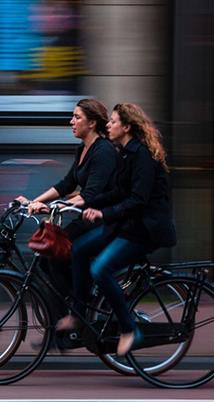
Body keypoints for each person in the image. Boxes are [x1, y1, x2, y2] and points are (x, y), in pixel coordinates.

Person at [58, 103, 176, 356]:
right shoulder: (124, 152)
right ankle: (78, 315)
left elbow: (138, 200)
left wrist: (103, 213)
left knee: (100, 269)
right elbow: (118, 192)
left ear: (127, 127)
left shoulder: (142, 155)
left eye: (112, 122)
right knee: (77, 249)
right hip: (126, 225)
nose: (108, 126)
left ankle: (130, 329)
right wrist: (89, 203)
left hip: (145, 230)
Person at [15, 99, 117, 310]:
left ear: (92, 123)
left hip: (103, 220)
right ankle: (72, 308)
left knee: (58, 252)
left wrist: (56, 207)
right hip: (86, 219)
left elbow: (90, 195)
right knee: (48, 257)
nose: (71, 121)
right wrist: (35, 201)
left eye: (77, 117)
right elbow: (67, 184)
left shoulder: (104, 151)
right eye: (72, 116)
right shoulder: (82, 149)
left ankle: (80, 307)